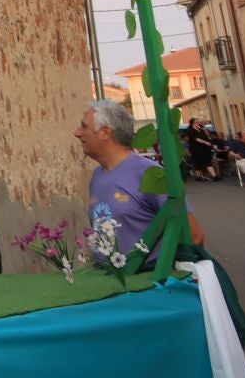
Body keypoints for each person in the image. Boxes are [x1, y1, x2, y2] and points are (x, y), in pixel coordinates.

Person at [76, 98, 205, 266]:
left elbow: (194, 236)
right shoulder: (97, 176)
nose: (77, 133)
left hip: (145, 285)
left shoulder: (150, 174)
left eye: (84, 126)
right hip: (107, 284)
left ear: (105, 133)